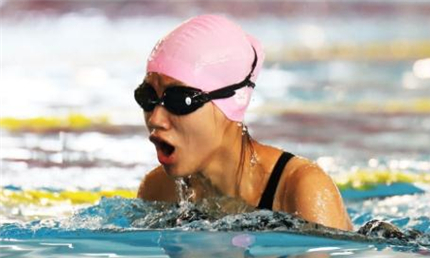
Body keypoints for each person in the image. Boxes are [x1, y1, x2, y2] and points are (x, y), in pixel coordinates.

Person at [135, 14, 352, 231]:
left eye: (179, 100)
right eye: (148, 97)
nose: (155, 119)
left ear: (231, 101)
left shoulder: (302, 190)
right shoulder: (158, 190)